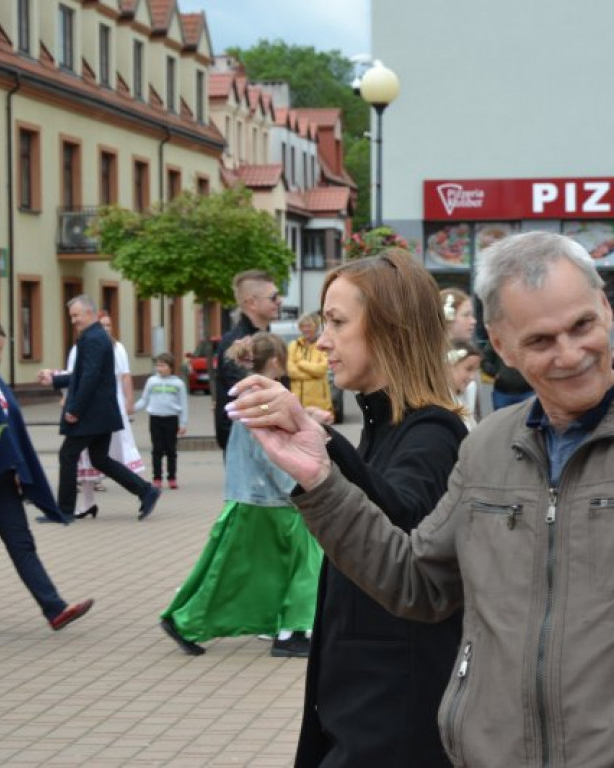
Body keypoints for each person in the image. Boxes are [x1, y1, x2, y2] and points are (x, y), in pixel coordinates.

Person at [230, 231, 614, 766]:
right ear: (500, 348)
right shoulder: (487, 448)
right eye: (539, 341)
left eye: (582, 325)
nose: (570, 354)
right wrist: (322, 481)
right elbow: (415, 582)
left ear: (606, 310)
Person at [229, 248, 468, 767]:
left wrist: (321, 446)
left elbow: (398, 529)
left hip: (392, 713)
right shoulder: (387, 428)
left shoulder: (432, 432)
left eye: (337, 322)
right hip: (363, 701)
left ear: (390, 329)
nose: (321, 340)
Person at [160, 333, 321, 658]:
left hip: (252, 496)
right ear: (275, 360)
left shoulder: (251, 391)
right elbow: (269, 452)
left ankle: (285, 628)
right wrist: (296, 487)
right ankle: (290, 630)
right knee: (303, 561)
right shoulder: (262, 395)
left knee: (236, 567)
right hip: (268, 498)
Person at [0, 317, 93, 640]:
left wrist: (22, 471)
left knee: (23, 545)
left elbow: (11, 431)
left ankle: (55, 609)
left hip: (3, 481)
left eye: (0, 348)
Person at [38, 295, 160, 521]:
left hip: (92, 414)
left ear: (89, 313)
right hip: (101, 413)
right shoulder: (94, 336)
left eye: (76, 315)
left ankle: (64, 512)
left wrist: (74, 409)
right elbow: (83, 375)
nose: (73, 320)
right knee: (100, 459)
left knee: (68, 455)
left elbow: (90, 378)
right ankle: (146, 490)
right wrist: (55, 381)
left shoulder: (93, 338)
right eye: (71, 316)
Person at [68, 312, 146, 517]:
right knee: (93, 457)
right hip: (93, 409)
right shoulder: (81, 347)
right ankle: (87, 502)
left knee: (114, 453)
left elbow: (123, 376)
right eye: (102, 325)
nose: (106, 329)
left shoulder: (116, 347)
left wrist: (129, 401)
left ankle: (145, 490)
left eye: (109, 325)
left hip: (103, 409)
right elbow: (74, 377)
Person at [214, 270, 282, 454]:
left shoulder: (265, 338)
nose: (280, 301)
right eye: (273, 297)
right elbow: (249, 397)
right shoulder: (237, 344)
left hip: (264, 436)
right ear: (251, 303)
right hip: (247, 443)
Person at [133, 353, 188, 491]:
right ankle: (157, 478)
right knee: (157, 449)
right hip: (155, 418)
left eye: (163, 365)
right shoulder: (152, 381)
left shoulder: (178, 384)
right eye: (158, 365)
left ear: (171, 367)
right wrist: (131, 409)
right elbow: (144, 400)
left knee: (171, 450)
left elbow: (184, 405)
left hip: (171, 419)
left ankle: (172, 477)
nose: (159, 368)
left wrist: (183, 423)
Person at [442, 288, 481, 423]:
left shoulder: (469, 353)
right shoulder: (430, 362)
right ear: (448, 318)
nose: (473, 321)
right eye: (466, 315)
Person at [287, 312, 332, 417]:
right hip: (297, 404)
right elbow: (290, 371)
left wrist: (301, 364)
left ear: (316, 326)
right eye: (303, 326)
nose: (306, 329)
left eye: (309, 326)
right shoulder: (293, 346)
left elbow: (321, 370)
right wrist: (312, 375)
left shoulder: (322, 346)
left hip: (319, 405)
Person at [448, 339, 482, 430]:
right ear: (449, 367)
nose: (473, 377)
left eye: (476, 370)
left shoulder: (469, 392)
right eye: (469, 369)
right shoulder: (437, 403)